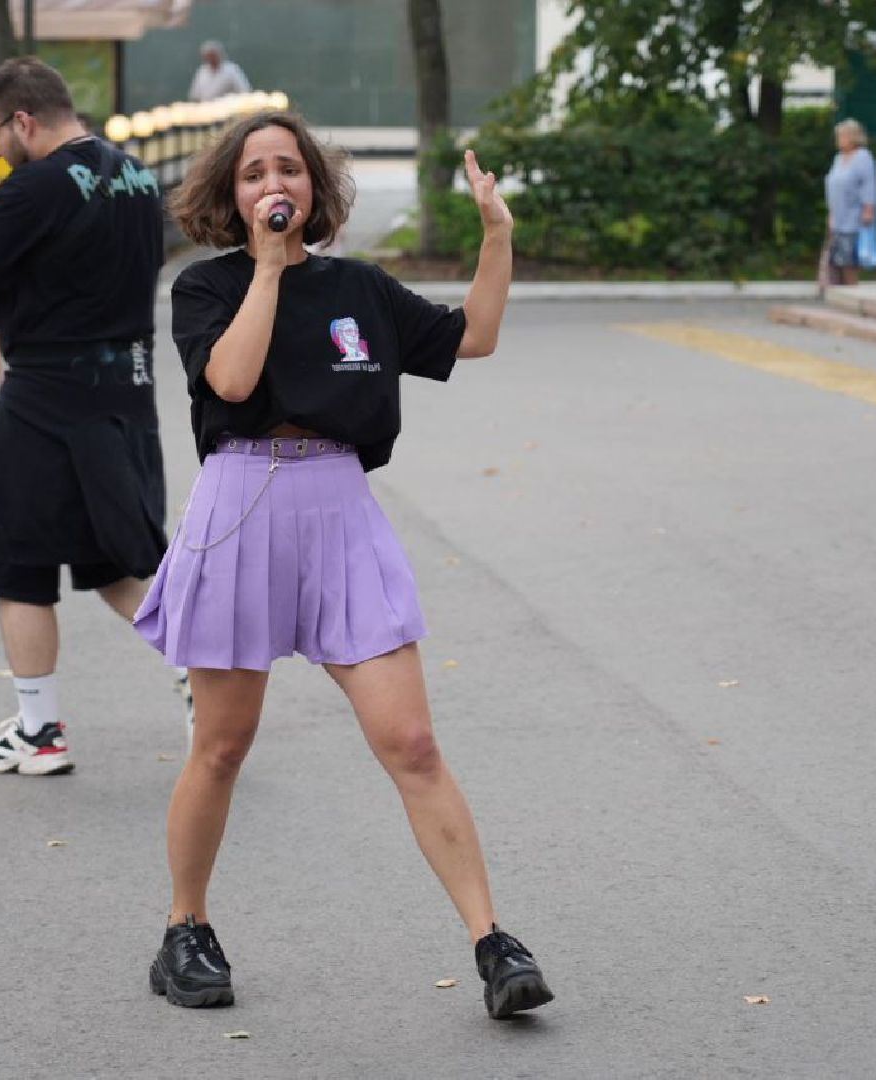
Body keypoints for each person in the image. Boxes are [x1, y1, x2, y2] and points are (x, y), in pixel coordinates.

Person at [133, 110, 555, 1021]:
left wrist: (496, 235)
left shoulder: (359, 287)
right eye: (253, 173)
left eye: (288, 169)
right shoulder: (205, 286)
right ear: (231, 195)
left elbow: (473, 336)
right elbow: (232, 382)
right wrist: (268, 269)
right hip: (240, 506)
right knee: (222, 745)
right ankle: (185, 928)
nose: (273, 185)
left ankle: (493, 941)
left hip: (338, 508)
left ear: (314, 187)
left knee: (412, 743)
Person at [0, 57, 168, 777]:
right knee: (116, 559)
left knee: (19, 563)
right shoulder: (138, 177)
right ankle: (203, 669)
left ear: (23, 120)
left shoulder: (33, 185)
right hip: (126, 387)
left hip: (44, 393)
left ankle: (39, 732)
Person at [823, 117, 876, 288]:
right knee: (836, 259)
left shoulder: (863, 157)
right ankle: (839, 290)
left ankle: (852, 290)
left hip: (853, 216)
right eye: (839, 136)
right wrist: (831, 213)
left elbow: (869, 184)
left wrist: (869, 209)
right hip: (837, 215)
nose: (839, 139)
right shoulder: (838, 158)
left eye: (843, 136)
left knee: (849, 259)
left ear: (854, 137)